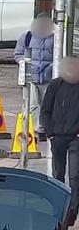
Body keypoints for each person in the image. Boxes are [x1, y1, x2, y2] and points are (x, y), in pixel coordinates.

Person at [41, 54, 79, 226]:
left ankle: (71, 212)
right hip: (57, 138)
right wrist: (50, 133)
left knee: (75, 176)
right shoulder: (55, 85)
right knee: (58, 175)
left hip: (76, 139)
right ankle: (58, 209)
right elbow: (45, 111)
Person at [14, 12, 54, 141]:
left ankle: (42, 128)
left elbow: (60, 54)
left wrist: (51, 68)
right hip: (31, 77)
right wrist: (25, 64)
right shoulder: (27, 36)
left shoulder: (56, 38)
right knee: (33, 104)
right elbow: (18, 54)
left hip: (48, 78)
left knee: (46, 105)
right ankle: (36, 130)